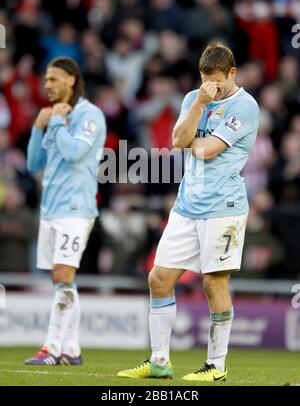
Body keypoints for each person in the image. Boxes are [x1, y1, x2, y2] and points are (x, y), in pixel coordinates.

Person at [118, 43, 259, 382]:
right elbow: (176, 137)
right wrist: (199, 102)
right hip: (186, 206)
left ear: (232, 74)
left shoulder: (246, 107)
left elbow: (207, 149)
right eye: (205, 79)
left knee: (213, 283)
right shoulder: (194, 98)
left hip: (222, 209)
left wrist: (187, 142)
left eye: (217, 81)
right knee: (159, 278)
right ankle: (160, 361)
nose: (211, 87)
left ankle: (216, 366)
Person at [25, 56, 106, 366]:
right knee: (62, 281)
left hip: (76, 208)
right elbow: (34, 163)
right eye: (45, 80)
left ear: (71, 80)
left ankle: (52, 348)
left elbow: (74, 153)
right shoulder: (53, 115)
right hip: (50, 209)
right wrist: (38, 126)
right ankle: (72, 347)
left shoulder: (90, 116)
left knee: (63, 273)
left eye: (53, 79)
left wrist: (56, 121)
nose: (47, 86)